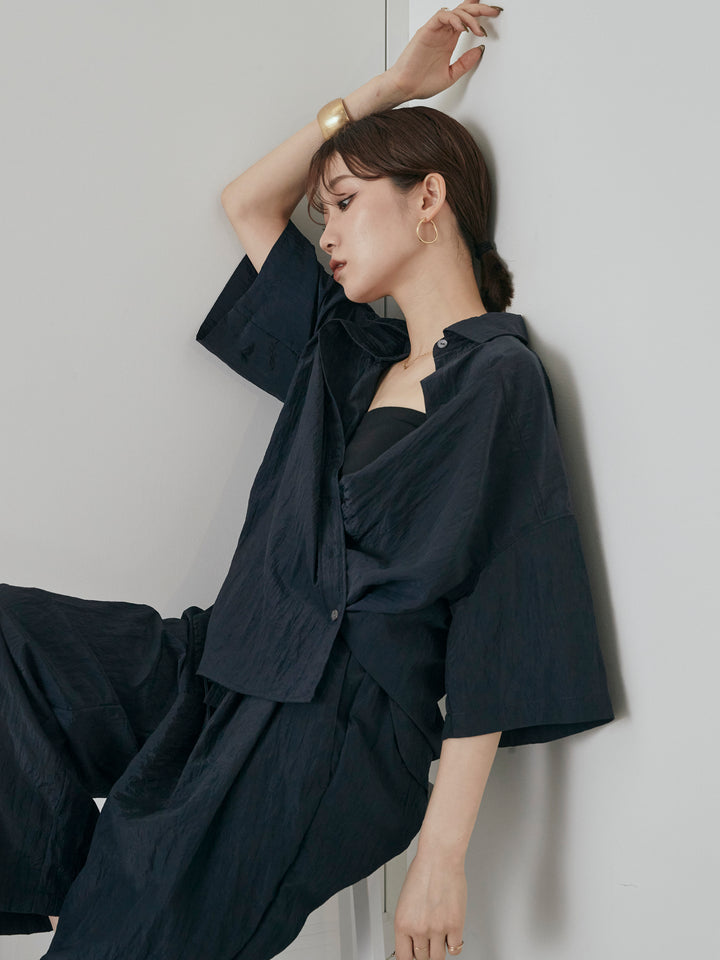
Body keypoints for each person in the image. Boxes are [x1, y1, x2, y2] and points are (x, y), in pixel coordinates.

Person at [0, 4, 614, 959]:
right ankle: (97, 884)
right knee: (10, 643)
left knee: (130, 922)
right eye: (324, 211)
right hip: (226, 661)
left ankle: (131, 893)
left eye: (346, 203)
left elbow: (500, 612)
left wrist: (441, 856)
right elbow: (247, 202)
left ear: (428, 197)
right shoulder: (348, 349)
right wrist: (389, 92)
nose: (324, 230)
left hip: (329, 721)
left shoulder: (496, 380)